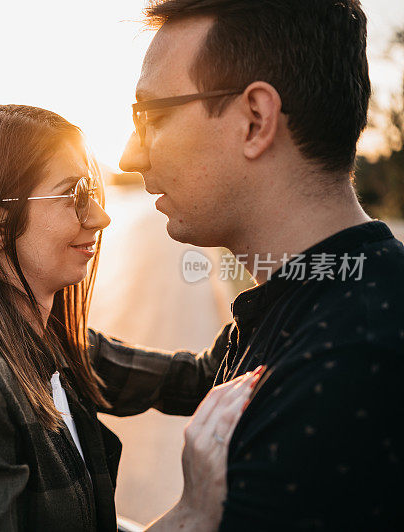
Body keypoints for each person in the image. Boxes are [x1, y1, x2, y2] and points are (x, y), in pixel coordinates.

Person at [0, 104, 259, 531]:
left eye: (94, 195)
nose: (100, 218)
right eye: (74, 195)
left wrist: (275, 250)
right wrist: (192, 513)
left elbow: (203, 378)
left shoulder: (55, 344)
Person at [113, 0, 404, 528]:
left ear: (255, 120)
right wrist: (41, 342)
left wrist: (191, 518)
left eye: (151, 116)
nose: (130, 157)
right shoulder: (334, 286)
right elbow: (209, 376)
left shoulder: (342, 367)